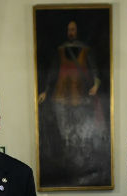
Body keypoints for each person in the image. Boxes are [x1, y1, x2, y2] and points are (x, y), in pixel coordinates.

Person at [36, 19, 110, 187]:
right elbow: (53, 72)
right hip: (62, 94)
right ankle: (66, 160)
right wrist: (46, 91)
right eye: (69, 29)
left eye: (73, 29)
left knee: (79, 128)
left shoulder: (85, 50)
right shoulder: (60, 51)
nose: (71, 32)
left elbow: (94, 69)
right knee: (64, 129)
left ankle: (80, 161)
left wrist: (96, 84)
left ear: (77, 31)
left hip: (81, 95)